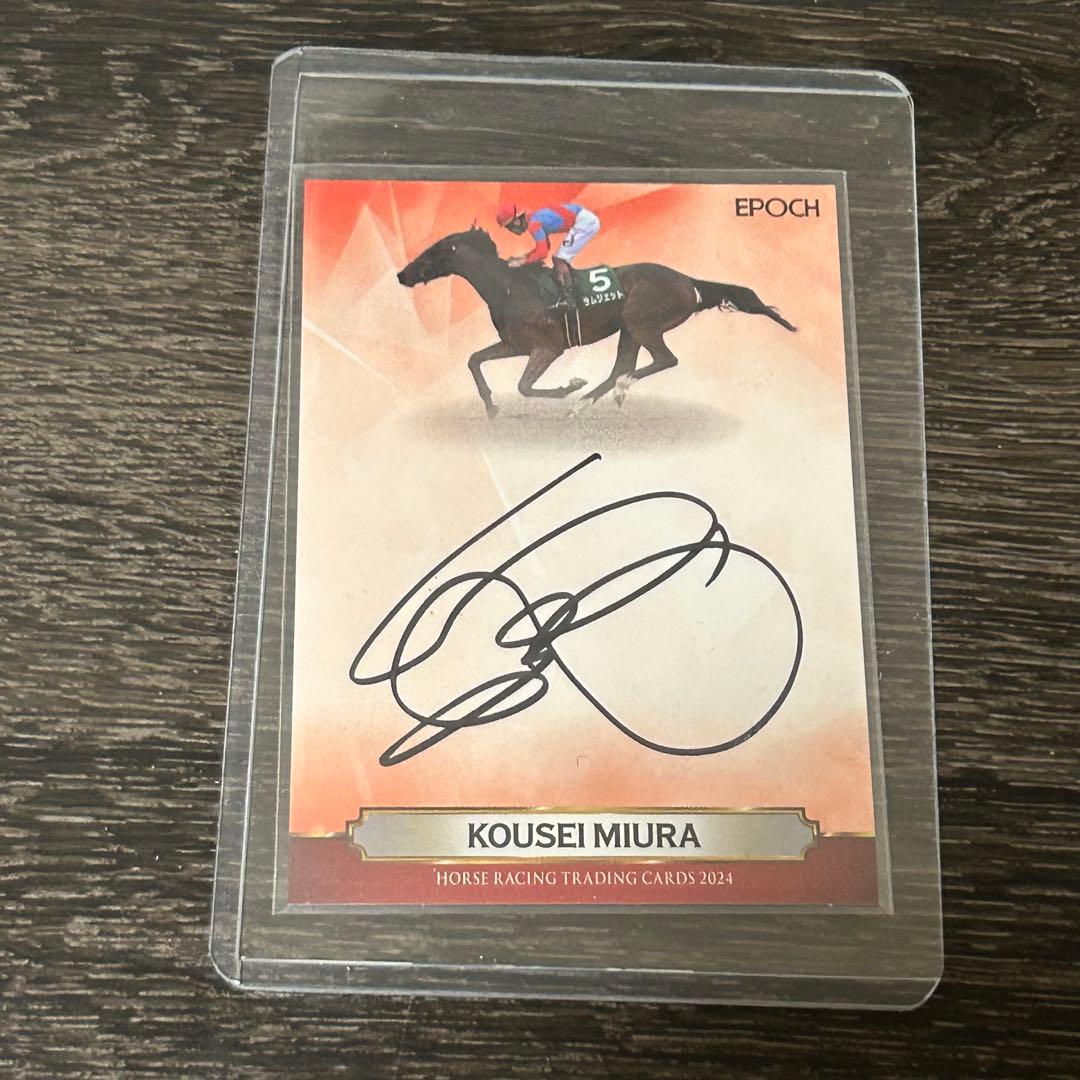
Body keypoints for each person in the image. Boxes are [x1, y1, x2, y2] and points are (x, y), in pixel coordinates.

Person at [496, 200, 601, 309]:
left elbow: (542, 253)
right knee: (558, 258)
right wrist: (522, 258)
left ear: (517, 221)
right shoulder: (534, 219)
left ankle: (569, 299)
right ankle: (568, 294)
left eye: (509, 227)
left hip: (585, 223)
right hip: (583, 220)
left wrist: (521, 262)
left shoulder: (534, 224)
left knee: (559, 260)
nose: (511, 231)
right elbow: (545, 246)